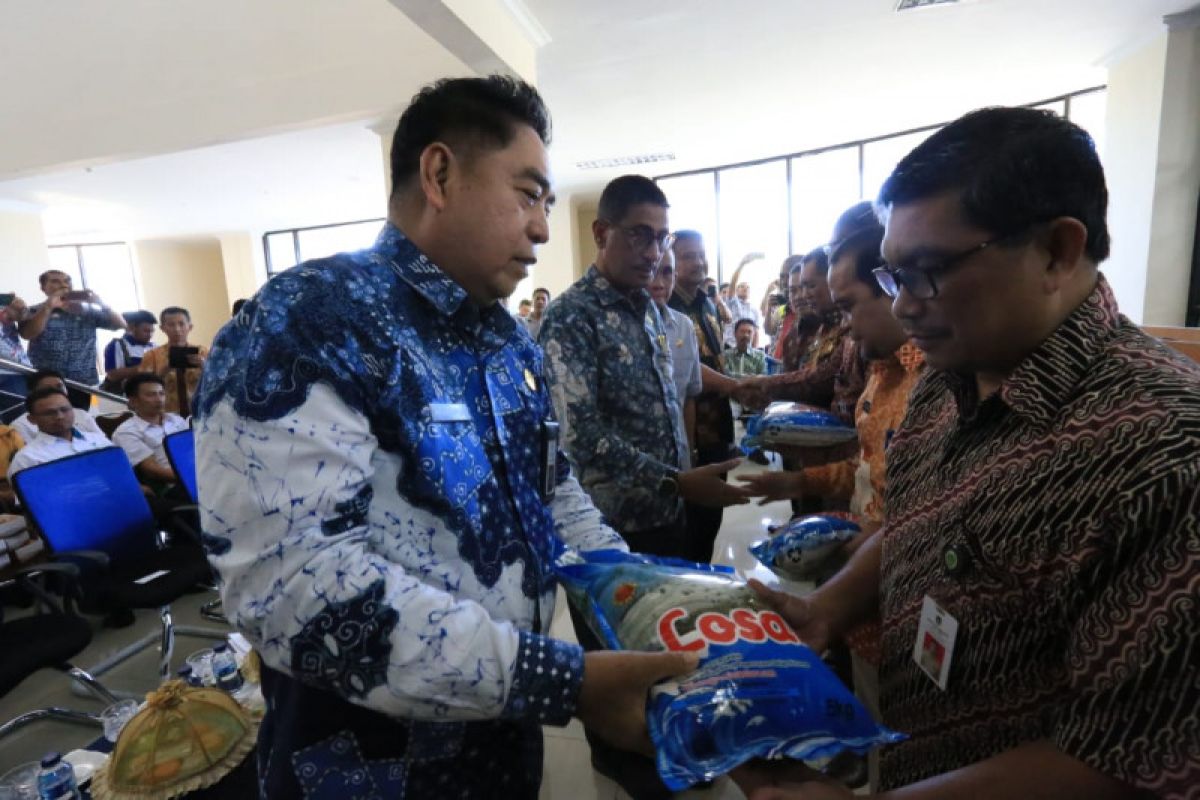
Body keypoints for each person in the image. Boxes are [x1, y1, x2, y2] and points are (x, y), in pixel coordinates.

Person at [193, 76, 695, 800]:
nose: (544, 228)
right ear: (439, 174)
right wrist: (561, 681)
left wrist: (643, 596)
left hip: (499, 745)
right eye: (528, 194)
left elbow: (553, 493)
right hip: (369, 768)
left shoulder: (508, 346)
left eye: (549, 204)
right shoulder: (312, 321)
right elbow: (292, 588)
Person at [736, 107, 1199, 800]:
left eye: (927, 271)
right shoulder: (948, 379)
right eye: (893, 277)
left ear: (1057, 251)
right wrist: (831, 606)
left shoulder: (1164, 452)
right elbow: (919, 521)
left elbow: (1129, 758)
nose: (904, 307)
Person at [539, 175, 750, 799]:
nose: (654, 251)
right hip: (605, 528)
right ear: (602, 233)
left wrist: (686, 478)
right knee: (613, 661)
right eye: (639, 235)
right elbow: (581, 437)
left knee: (668, 646)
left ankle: (675, 742)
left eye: (661, 237)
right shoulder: (570, 320)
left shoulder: (658, 316)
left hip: (666, 513)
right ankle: (621, 762)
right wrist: (677, 480)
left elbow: (670, 409)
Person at [669, 230, 741, 563]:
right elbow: (686, 369)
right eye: (687, 256)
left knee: (711, 519)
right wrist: (734, 386)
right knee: (692, 527)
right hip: (690, 433)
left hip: (718, 428)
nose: (698, 262)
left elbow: (715, 357)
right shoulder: (667, 307)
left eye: (701, 254)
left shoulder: (707, 302)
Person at [735, 248, 866, 424]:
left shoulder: (850, 324)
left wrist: (766, 383)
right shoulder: (816, 327)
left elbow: (822, 377)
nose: (802, 296)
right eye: (794, 290)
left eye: (809, 286)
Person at [19, 271, 126, 409]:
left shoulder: (87, 310)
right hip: (45, 381)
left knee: (83, 419)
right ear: (43, 288)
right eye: (55, 281)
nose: (63, 284)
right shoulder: (32, 311)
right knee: (48, 418)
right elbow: (28, 334)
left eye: (67, 281)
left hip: (83, 381)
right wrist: (49, 307)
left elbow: (121, 325)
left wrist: (100, 303)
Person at [649, 248, 702, 465]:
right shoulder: (619, 326)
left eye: (667, 272)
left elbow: (689, 396)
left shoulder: (684, 327)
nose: (659, 283)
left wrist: (689, 453)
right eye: (652, 271)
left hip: (677, 456)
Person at [8, 387, 112, 478]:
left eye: (65, 409)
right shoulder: (28, 458)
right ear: (32, 419)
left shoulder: (99, 440)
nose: (60, 416)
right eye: (49, 413)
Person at [112, 373, 188, 491]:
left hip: (198, 474)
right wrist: (192, 478)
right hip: (173, 485)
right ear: (133, 401)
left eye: (161, 394)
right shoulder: (126, 432)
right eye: (151, 395)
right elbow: (152, 471)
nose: (159, 399)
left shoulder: (176, 420)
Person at [138, 307, 208, 417]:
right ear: (162, 328)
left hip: (201, 412)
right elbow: (142, 388)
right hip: (167, 416)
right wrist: (163, 371)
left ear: (190, 327)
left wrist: (204, 366)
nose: (177, 329)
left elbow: (220, 382)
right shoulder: (151, 356)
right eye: (171, 325)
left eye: (181, 324)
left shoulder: (203, 352)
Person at [11, 369, 104, 443]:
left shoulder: (81, 414)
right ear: (34, 392)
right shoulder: (20, 425)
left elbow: (103, 442)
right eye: (47, 388)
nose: (56, 392)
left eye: (60, 386)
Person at [101, 310, 157, 392]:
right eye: (146, 331)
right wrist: (143, 368)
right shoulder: (117, 345)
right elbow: (112, 374)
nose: (150, 335)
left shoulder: (154, 346)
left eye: (152, 331)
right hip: (123, 396)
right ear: (132, 328)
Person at [0, 294, 34, 423]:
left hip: (16, 371)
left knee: (22, 423)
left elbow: (24, 319)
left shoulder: (5, 300)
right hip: (10, 372)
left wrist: (22, 312)